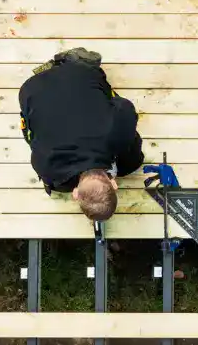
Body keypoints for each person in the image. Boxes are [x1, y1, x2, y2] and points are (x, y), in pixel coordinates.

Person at [18, 47, 145, 221]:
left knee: (130, 152)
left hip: (80, 74)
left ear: (114, 185)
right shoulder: (48, 167)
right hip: (32, 87)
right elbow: (32, 140)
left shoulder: (116, 136)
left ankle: (74, 64)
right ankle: (63, 68)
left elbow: (124, 106)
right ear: (76, 193)